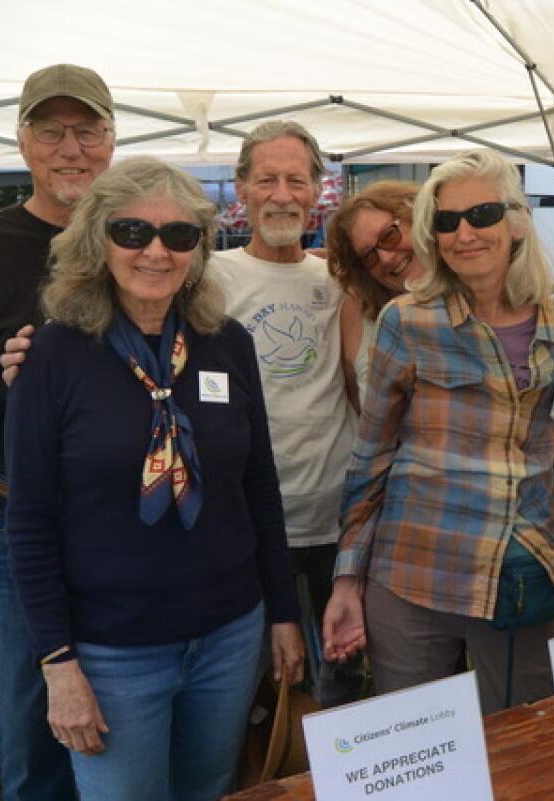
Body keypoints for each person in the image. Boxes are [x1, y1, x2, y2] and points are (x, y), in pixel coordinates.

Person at [4, 157, 304, 800]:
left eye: (179, 236)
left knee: (210, 789)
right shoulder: (52, 355)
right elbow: (28, 521)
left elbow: (258, 487)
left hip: (229, 635)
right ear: (97, 240)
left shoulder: (227, 343)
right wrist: (58, 664)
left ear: (199, 249)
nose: (156, 252)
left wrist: (282, 613)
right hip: (113, 651)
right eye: (132, 232)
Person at [322, 149, 554, 714]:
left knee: (527, 746)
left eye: (481, 215)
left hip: (519, 575)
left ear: (516, 221)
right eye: (446, 221)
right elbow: (371, 459)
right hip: (412, 574)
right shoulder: (406, 321)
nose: (465, 233)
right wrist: (346, 579)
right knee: (416, 746)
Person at [0, 63, 115, 801]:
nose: (72, 148)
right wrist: (7, 388)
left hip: (130, 521)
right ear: (23, 140)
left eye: (87, 130)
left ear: (111, 139)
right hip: (21, 518)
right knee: (33, 730)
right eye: (53, 130)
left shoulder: (138, 242)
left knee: (124, 717)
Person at [212, 121, 362, 706]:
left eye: (296, 180)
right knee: (254, 695)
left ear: (316, 192)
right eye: (267, 179)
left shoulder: (338, 278)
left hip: (335, 514)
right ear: (241, 188)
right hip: (247, 521)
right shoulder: (208, 278)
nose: (281, 194)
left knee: (343, 682)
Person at [325, 180, 425, 411]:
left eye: (389, 235)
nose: (386, 258)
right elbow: (356, 403)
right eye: (369, 256)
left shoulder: (476, 295)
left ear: (418, 217)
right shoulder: (360, 314)